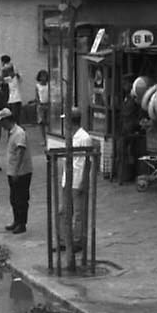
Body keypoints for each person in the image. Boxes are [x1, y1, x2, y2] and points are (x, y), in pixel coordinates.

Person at [60, 107, 94, 252]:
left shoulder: (84, 138)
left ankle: (77, 241)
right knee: (64, 211)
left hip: (77, 179)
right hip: (67, 179)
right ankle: (64, 240)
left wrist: (83, 182)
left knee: (78, 214)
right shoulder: (70, 136)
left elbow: (88, 161)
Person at [0, 106, 32, 233]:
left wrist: (16, 171)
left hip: (21, 172)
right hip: (13, 171)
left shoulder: (19, 133)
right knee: (14, 198)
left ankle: (22, 223)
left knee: (21, 198)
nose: (1, 125)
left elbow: (21, 152)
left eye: (1, 122)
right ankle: (16, 220)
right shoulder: (11, 133)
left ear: (7, 120)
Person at [0, 54, 22, 123]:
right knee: (12, 118)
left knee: (15, 118)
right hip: (11, 99)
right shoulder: (10, 79)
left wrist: (4, 70)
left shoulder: (14, 78)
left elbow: (3, 79)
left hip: (15, 99)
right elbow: (3, 81)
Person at [34, 69, 51, 137]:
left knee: (49, 122)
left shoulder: (48, 85)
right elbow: (37, 95)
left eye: (45, 76)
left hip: (48, 104)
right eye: (42, 76)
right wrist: (38, 103)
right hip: (41, 105)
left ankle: (49, 136)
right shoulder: (37, 86)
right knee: (41, 123)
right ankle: (43, 138)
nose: (43, 78)